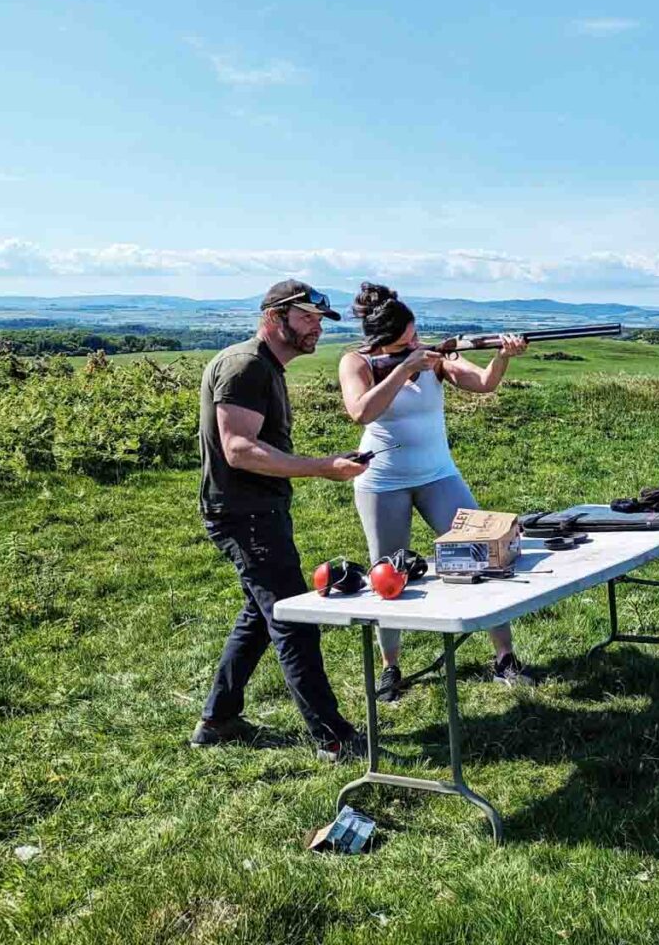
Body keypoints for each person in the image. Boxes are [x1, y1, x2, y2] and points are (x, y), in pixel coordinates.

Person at [191, 279, 368, 762]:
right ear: (275, 318)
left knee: (259, 616)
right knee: (294, 621)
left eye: (318, 320)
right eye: (307, 318)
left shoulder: (263, 366)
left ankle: (218, 719)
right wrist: (322, 467)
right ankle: (332, 735)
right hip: (245, 515)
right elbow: (239, 449)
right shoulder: (246, 366)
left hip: (256, 510)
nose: (316, 328)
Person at [338, 282, 536, 703]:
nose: (417, 342)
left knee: (483, 553)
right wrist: (405, 367)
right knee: (387, 575)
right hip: (382, 481)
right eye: (407, 340)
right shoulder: (355, 362)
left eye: (416, 334)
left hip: (438, 474)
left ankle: (504, 657)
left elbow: (483, 384)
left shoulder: (435, 358)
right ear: (382, 341)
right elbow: (361, 411)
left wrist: (502, 357)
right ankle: (391, 668)